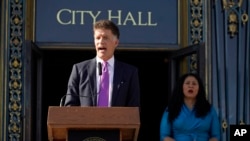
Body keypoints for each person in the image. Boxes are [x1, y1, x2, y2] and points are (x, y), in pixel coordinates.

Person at [64, 19, 140, 107]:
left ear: (116, 42)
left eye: (105, 37)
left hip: (117, 121)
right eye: (98, 38)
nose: (101, 41)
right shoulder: (79, 69)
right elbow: (70, 106)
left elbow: (134, 109)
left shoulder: (129, 72)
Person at [160, 73, 220, 141]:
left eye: (194, 84)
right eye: (187, 83)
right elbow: (164, 136)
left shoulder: (209, 110)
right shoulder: (171, 109)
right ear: (181, 87)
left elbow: (216, 136)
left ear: (199, 88)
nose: (191, 86)